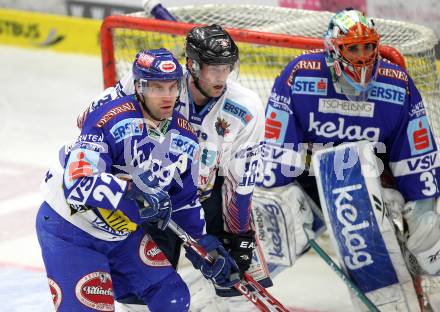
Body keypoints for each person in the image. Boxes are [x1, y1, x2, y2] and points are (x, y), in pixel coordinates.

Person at [77, 24, 268, 306]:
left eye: (226, 68)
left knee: (235, 283)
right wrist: (119, 179)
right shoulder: (157, 81)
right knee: (142, 294)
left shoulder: (247, 106)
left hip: (206, 198)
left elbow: (240, 180)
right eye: (213, 69)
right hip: (153, 195)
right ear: (192, 65)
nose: (221, 77)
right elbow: (89, 121)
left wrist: (239, 234)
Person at [37, 48, 240, 312]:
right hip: (72, 229)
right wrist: (131, 193)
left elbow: (183, 201)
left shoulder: (184, 135)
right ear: (139, 87)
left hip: (121, 232)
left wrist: (203, 245)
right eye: (156, 88)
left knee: (172, 296)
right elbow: (78, 182)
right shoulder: (108, 116)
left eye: (172, 87)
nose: (167, 97)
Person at [257, 7, 440, 286]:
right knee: (279, 230)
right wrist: (276, 192)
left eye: (368, 47)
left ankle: (392, 293)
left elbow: (415, 150)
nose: (363, 57)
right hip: (311, 178)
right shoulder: (300, 75)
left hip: (374, 181)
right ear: (333, 50)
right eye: (353, 49)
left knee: (416, 238)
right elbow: (278, 143)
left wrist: (422, 206)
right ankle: (237, 290)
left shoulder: (398, 84)